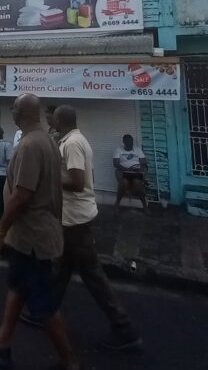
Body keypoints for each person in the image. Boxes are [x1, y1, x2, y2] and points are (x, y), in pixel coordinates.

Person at [0, 93, 84, 370]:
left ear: (22, 112)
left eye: (12, 107)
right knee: (17, 286)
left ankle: (71, 367)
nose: (10, 111)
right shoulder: (47, 141)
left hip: (35, 237)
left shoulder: (29, 145)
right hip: (29, 238)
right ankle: (1, 344)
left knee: (44, 306)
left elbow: (22, 196)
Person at [29, 106, 141, 349]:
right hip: (70, 218)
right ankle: (44, 312)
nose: (50, 121)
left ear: (59, 120)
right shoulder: (71, 140)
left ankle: (124, 328)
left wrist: (48, 175)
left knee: (92, 275)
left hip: (75, 220)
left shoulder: (72, 144)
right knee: (60, 269)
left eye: (53, 118)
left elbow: (77, 182)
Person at [114, 134, 148, 211]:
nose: (130, 144)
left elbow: (143, 162)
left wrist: (140, 169)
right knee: (123, 183)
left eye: (131, 142)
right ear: (124, 142)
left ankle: (145, 206)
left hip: (136, 172)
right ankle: (117, 203)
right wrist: (127, 169)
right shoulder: (118, 150)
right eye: (128, 142)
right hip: (123, 172)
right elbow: (116, 164)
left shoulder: (138, 150)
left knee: (138, 183)